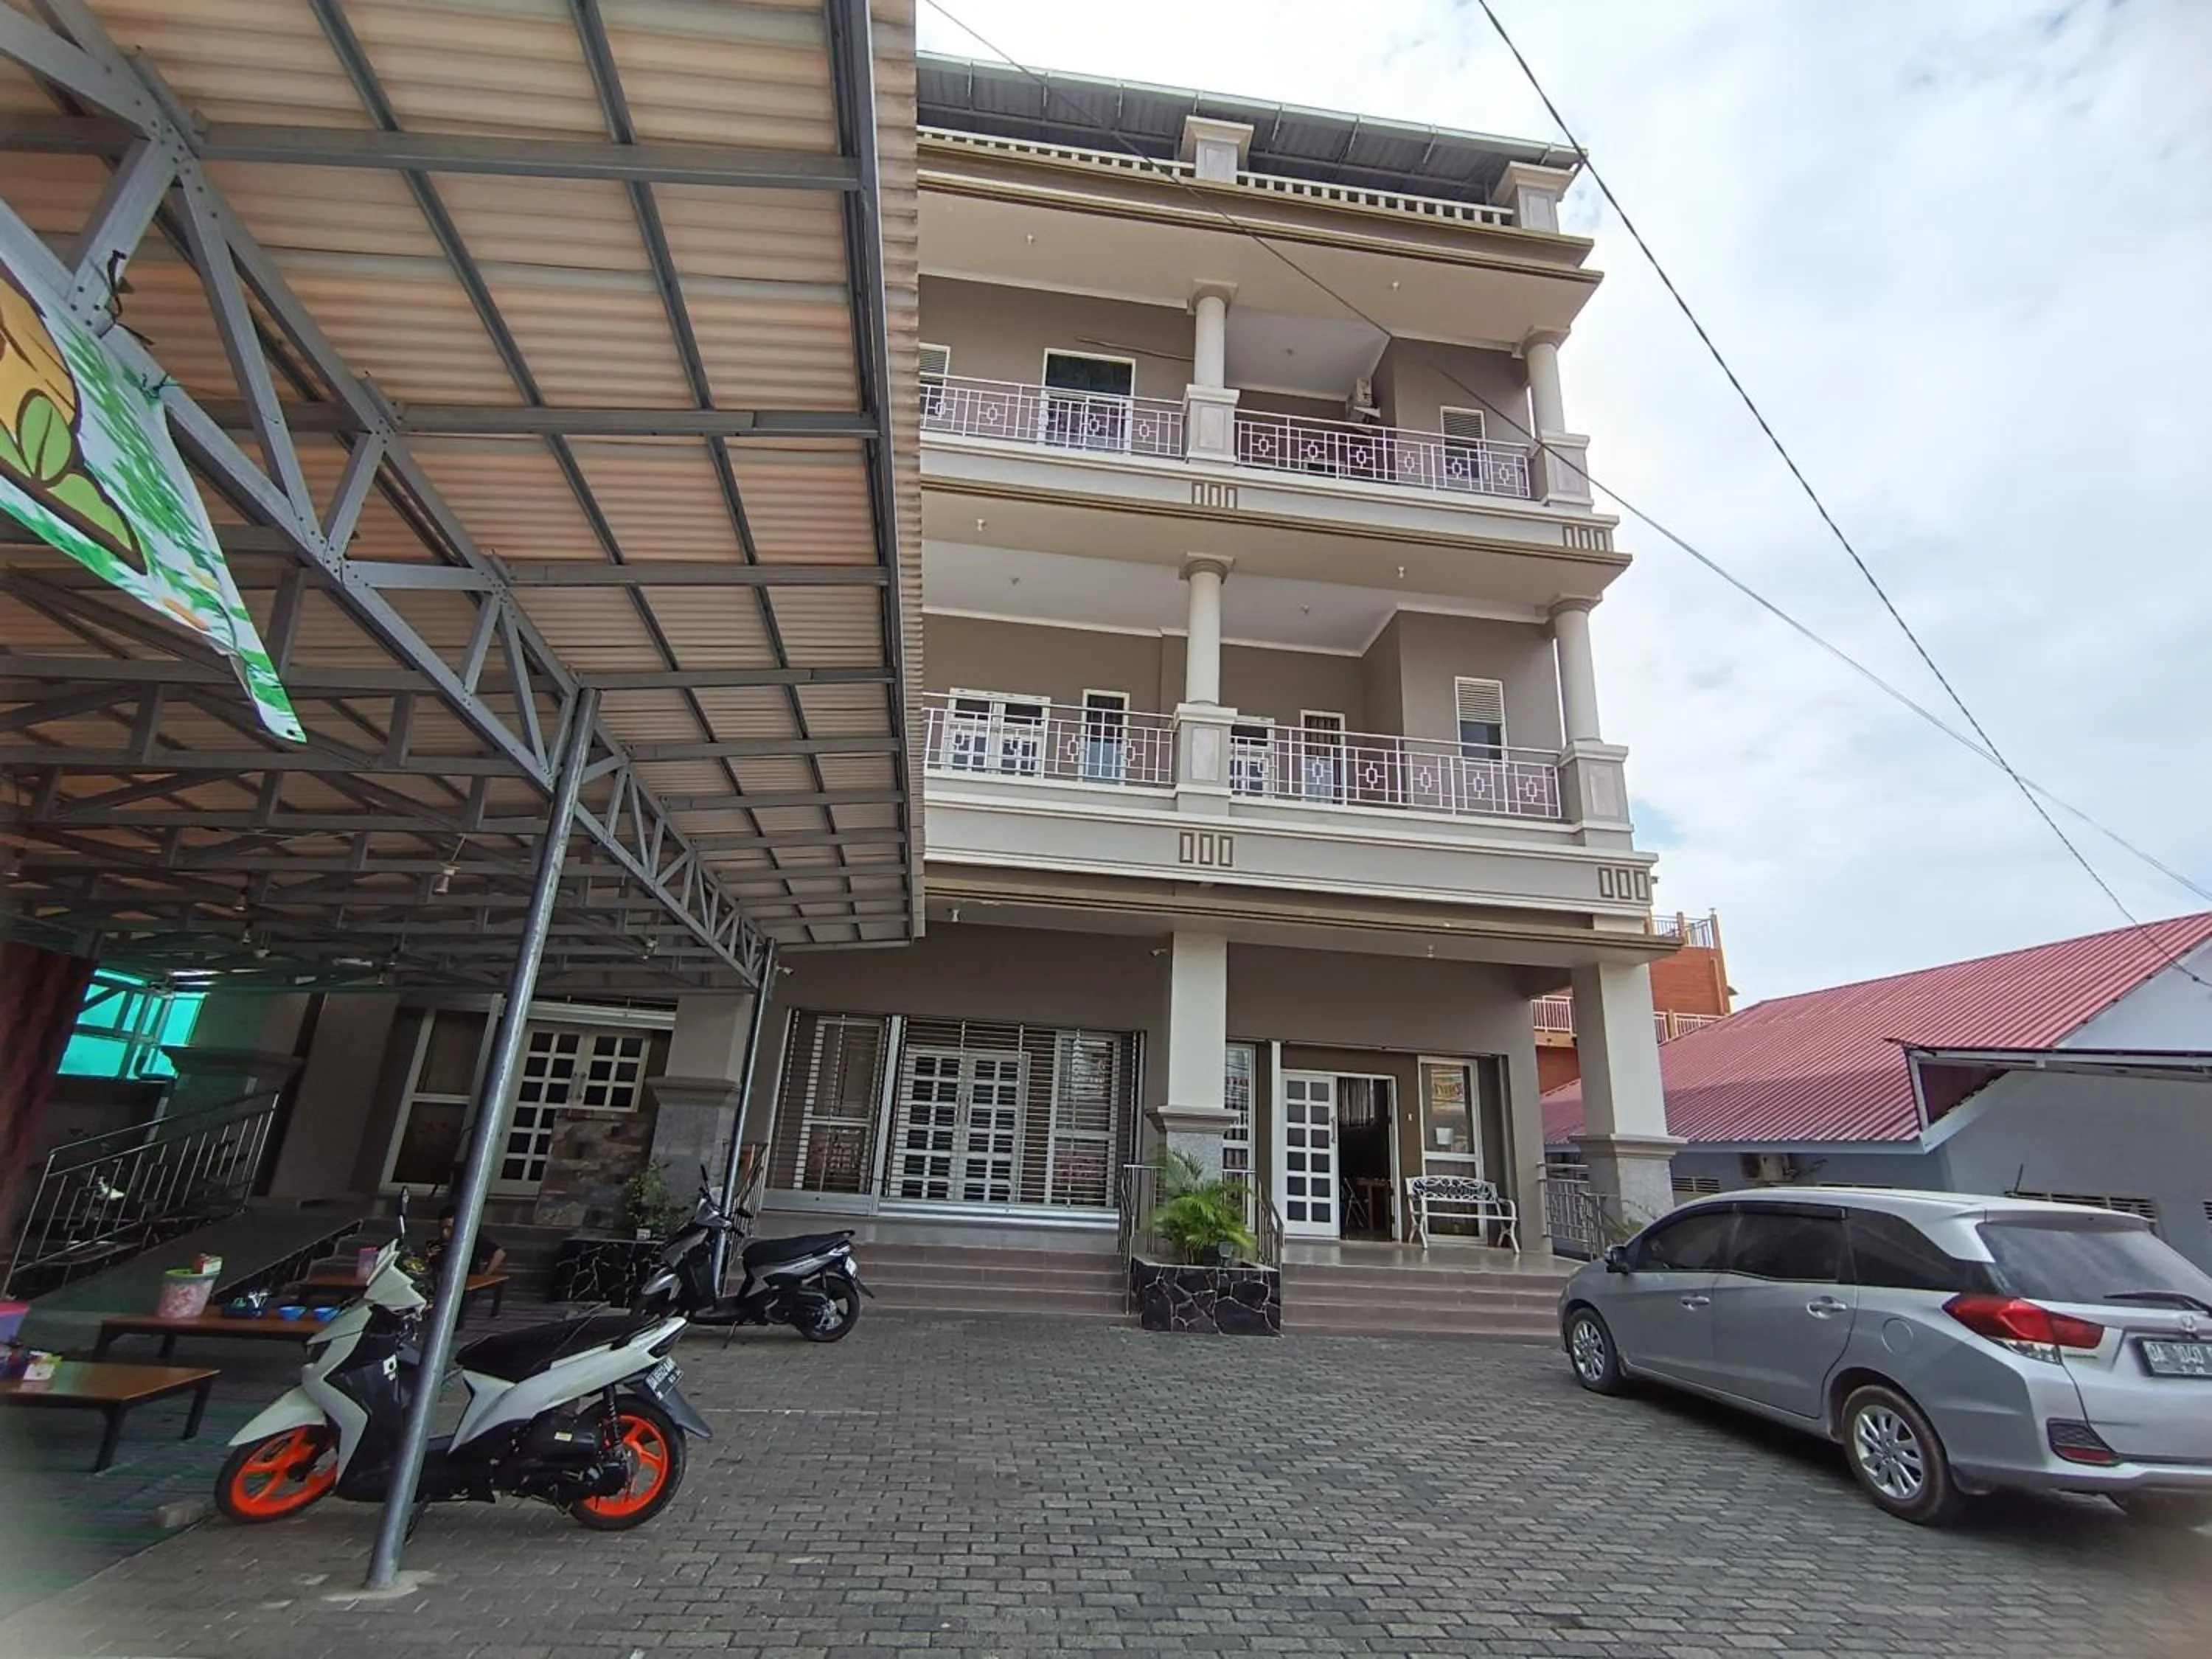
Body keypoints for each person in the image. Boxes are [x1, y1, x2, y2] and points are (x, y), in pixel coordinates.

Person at [427, 1205, 507, 1279]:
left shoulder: (471, 1241)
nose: (444, 1233)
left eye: (449, 1228)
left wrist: (484, 1276)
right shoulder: (436, 1245)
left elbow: (499, 1254)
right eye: (442, 1229)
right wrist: (428, 1258)